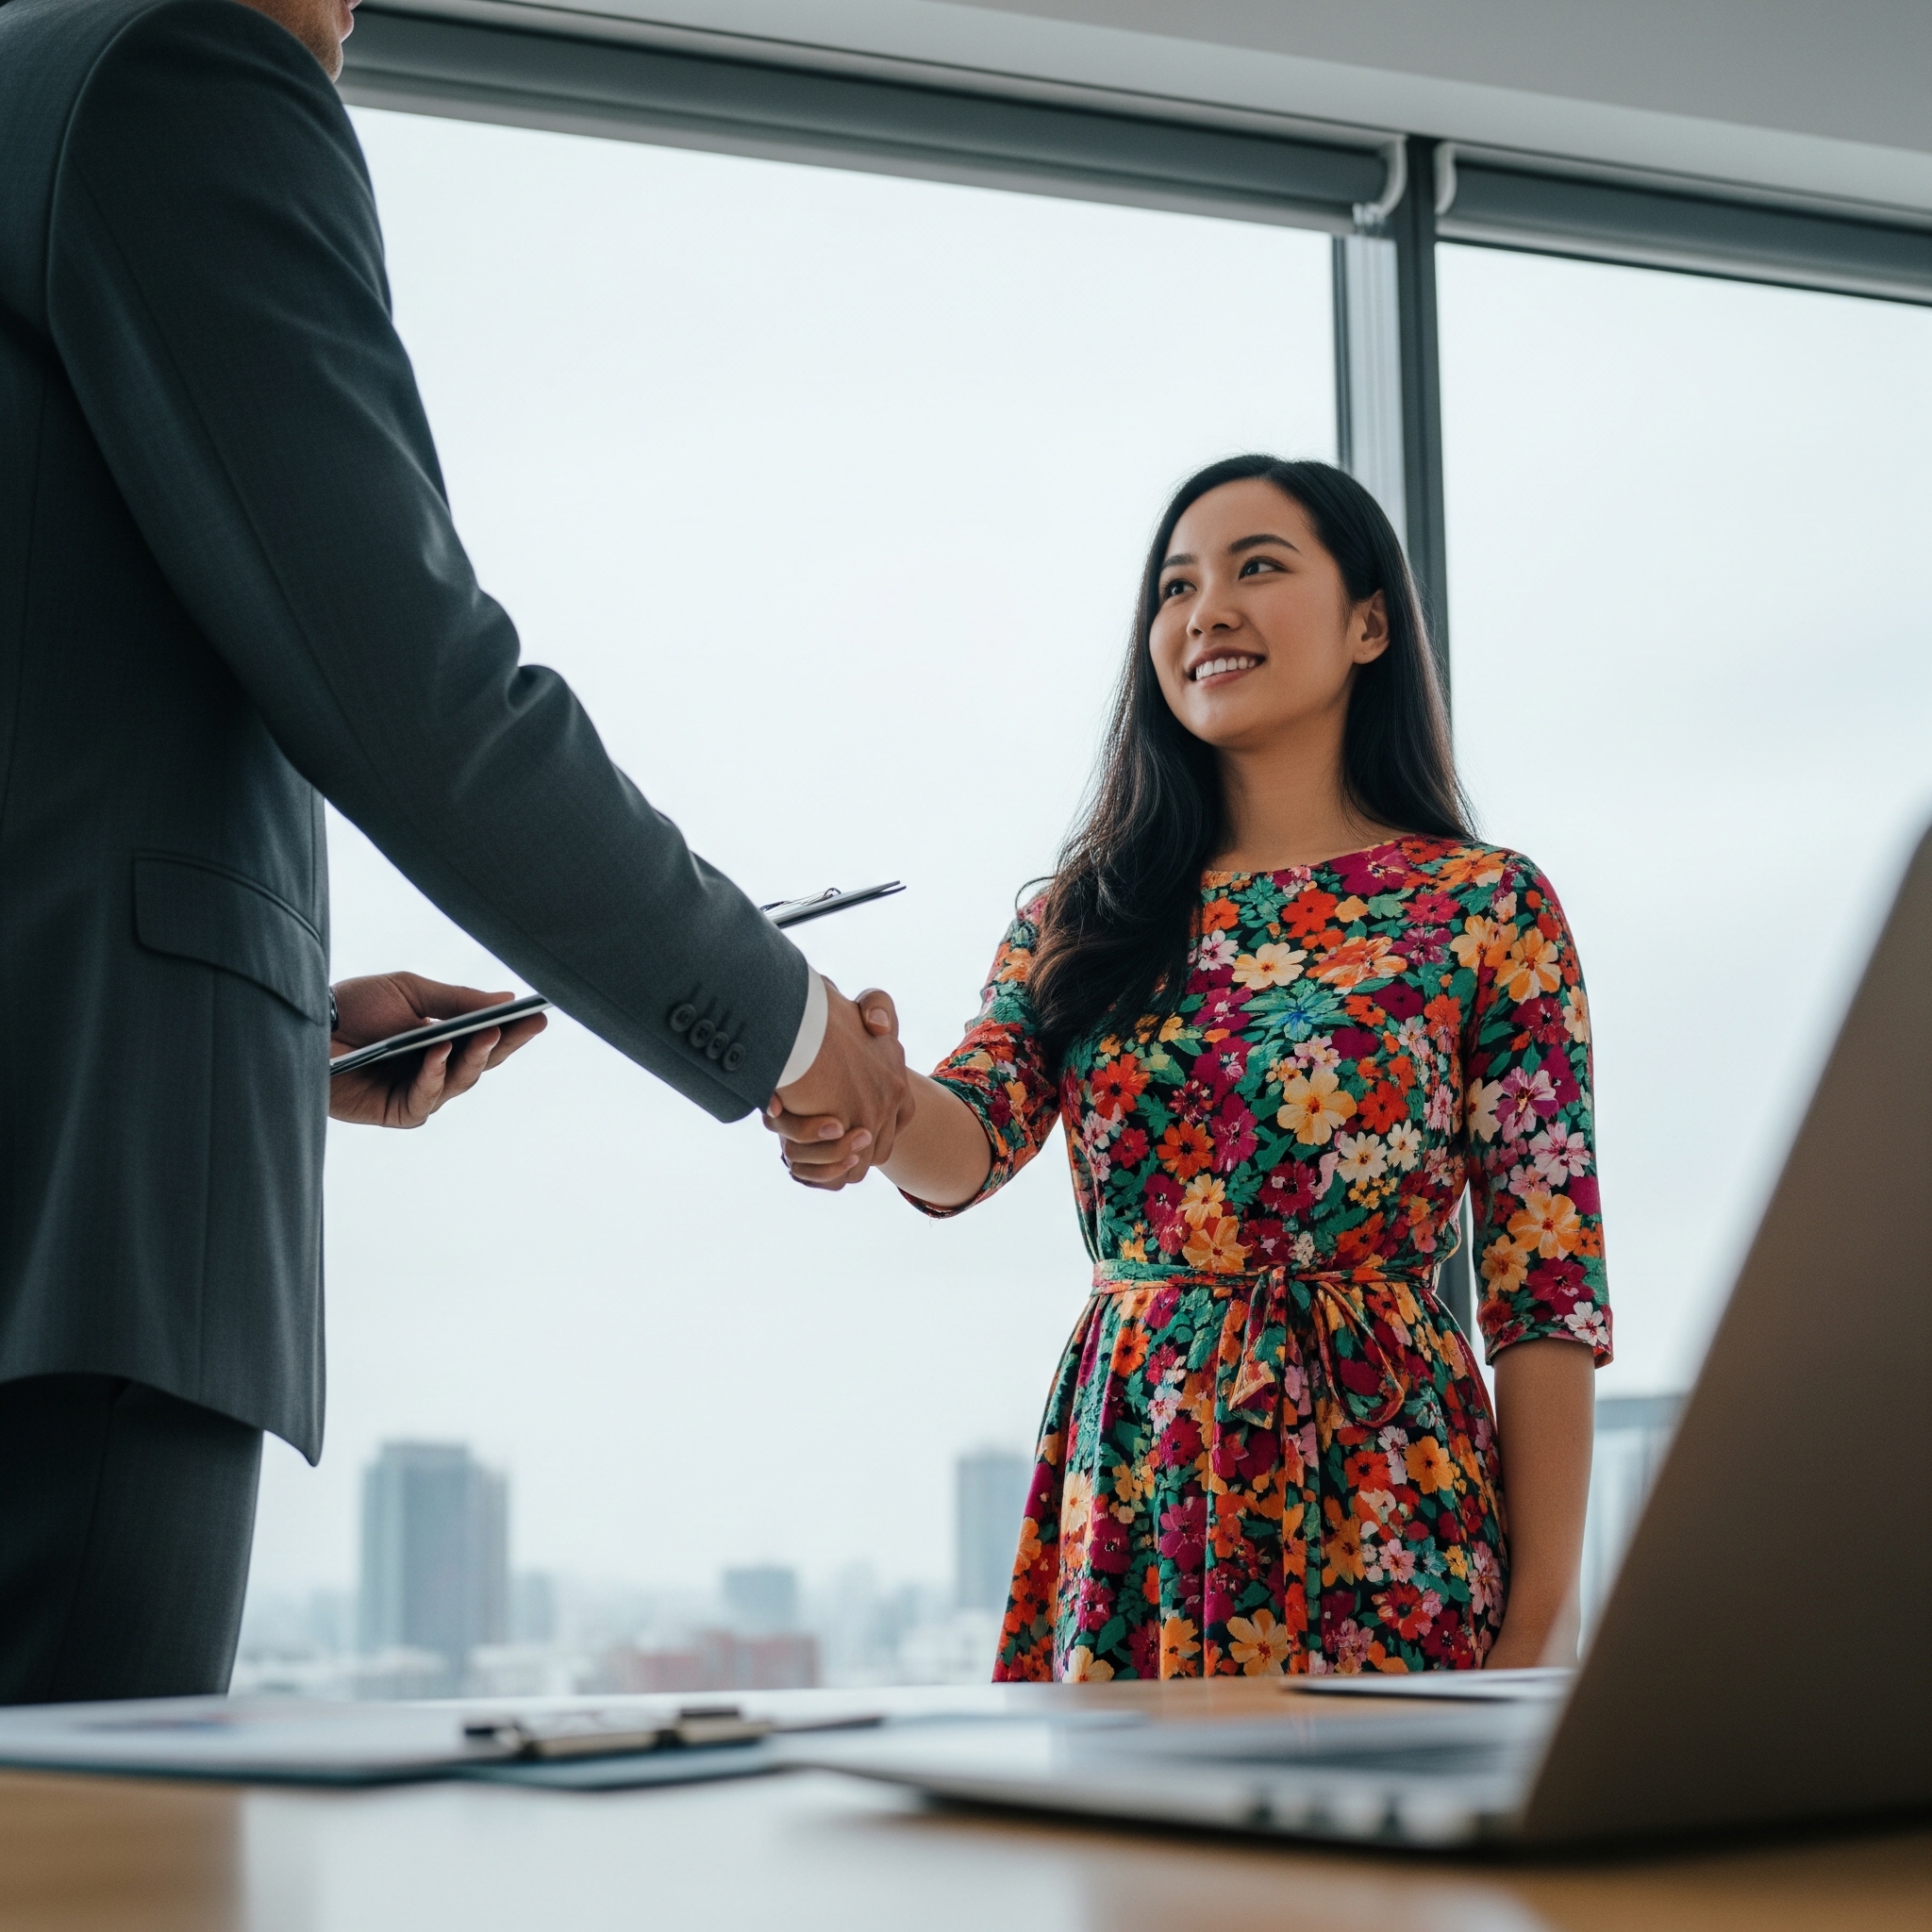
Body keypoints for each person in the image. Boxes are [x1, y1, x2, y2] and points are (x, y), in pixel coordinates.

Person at [0, 0, 908, 1703]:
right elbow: (406, 680)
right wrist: (776, 1022)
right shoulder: (174, 68)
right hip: (83, 1256)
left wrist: (261, 1037)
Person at [771, 457, 1609, 1677]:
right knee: (1142, 1866)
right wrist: (869, 1091)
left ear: (1370, 620)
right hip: (1142, 1498)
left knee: (1389, 1864)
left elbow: (1546, 1290)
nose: (1205, 609)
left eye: (1256, 568)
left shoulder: (1484, 908)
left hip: (1394, 1498)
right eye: (1174, 586)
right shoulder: (1087, 913)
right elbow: (968, 1137)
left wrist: (1539, 1623)